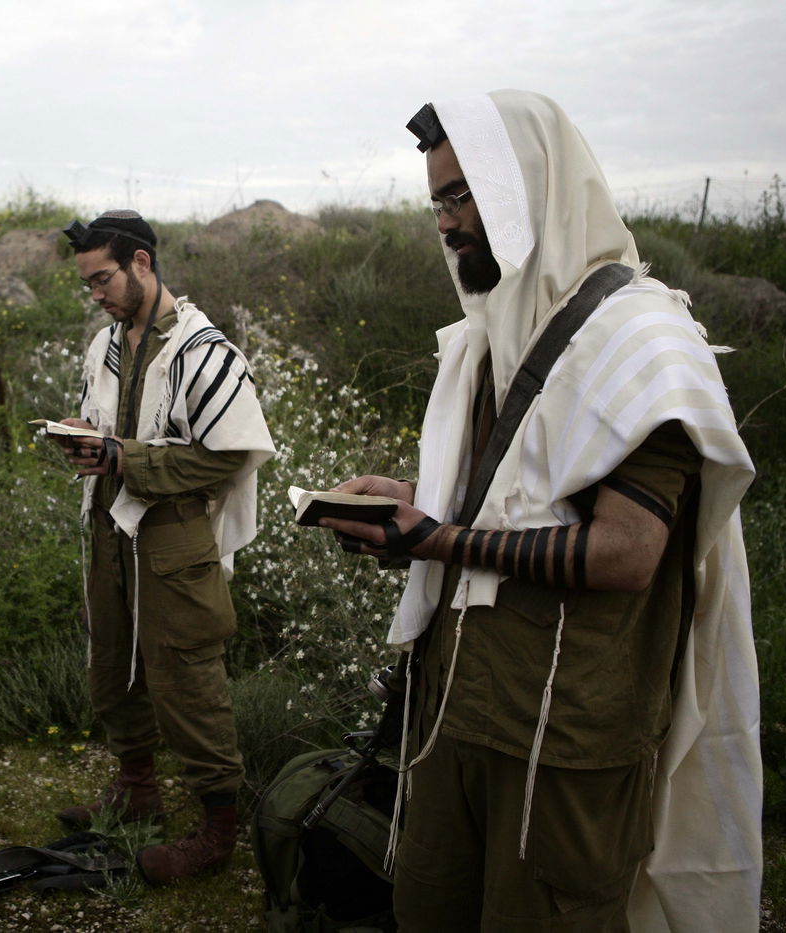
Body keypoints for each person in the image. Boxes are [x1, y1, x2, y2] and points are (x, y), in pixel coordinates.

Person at [320, 91, 761, 932]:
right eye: (438, 202)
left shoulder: (645, 346)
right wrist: (410, 511)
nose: (447, 224)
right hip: (453, 707)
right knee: (430, 905)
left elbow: (626, 553)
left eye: (463, 196)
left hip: (563, 736)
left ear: (525, 187)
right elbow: (513, 503)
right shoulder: (489, 339)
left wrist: (438, 539)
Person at [48, 210, 274, 885]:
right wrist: (82, 441)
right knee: (112, 661)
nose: (96, 294)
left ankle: (217, 832)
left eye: (103, 278)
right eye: (87, 284)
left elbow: (230, 455)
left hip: (173, 535)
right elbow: (108, 424)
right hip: (108, 528)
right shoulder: (106, 345)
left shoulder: (206, 351)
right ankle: (137, 788)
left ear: (142, 262)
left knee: (187, 679)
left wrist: (125, 456)